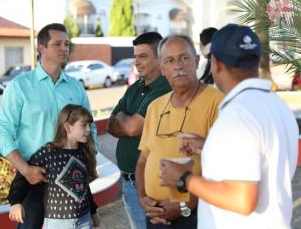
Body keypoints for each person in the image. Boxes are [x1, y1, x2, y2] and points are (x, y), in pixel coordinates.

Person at [159, 24, 299, 229]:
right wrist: (209, 146)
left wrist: (184, 179)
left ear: (215, 63)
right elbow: (261, 157)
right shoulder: (276, 105)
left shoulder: (238, 114)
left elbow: (242, 200)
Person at [0, 23, 98, 229]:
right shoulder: (20, 86)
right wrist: (25, 170)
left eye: (66, 44)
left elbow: (90, 129)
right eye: (57, 43)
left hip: (70, 177)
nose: (64, 48)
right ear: (41, 48)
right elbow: (2, 132)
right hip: (34, 177)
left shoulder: (76, 87)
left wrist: (89, 162)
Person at [135, 34, 224, 229]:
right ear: (162, 68)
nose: (178, 66)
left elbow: (224, 167)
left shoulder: (218, 103)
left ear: (197, 61)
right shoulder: (155, 106)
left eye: (184, 58)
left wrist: (185, 205)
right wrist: (143, 199)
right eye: (170, 60)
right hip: (155, 215)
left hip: (195, 215)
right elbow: (143, 160)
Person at [107, 31, 171, 229]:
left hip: (148, 185)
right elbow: (110, 125)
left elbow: (133, 128)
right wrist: (124, 121)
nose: (137, 61)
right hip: (128, 183)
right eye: (135, 56)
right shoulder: (135, 87)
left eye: (143, 56)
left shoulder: (164, 89)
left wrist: (123, 119)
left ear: (159, 58)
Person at [8, 104, 98, 229]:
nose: (89, 129)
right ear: (67, 127)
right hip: (58, 222)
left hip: (84, 219)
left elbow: (84, 187)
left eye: (89, 125)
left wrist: (93, 212)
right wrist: (15, 202)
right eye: (84, 125)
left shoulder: (83, 154)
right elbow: (23, 176)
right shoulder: (48, 153)